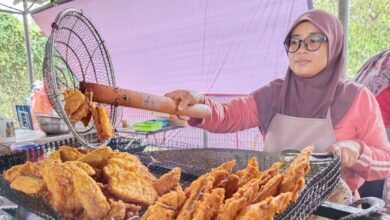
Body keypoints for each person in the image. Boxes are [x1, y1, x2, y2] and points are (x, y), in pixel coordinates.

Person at [165, 9, 390, 199]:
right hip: (276, 202)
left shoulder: (357, 98)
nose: (301, 49)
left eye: (313, 41)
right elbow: (229, 115)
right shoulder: (274, 93)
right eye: (294, 42)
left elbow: (385, 161)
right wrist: (198, 103)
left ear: (334, 45)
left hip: (333, 208)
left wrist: (358, 150)